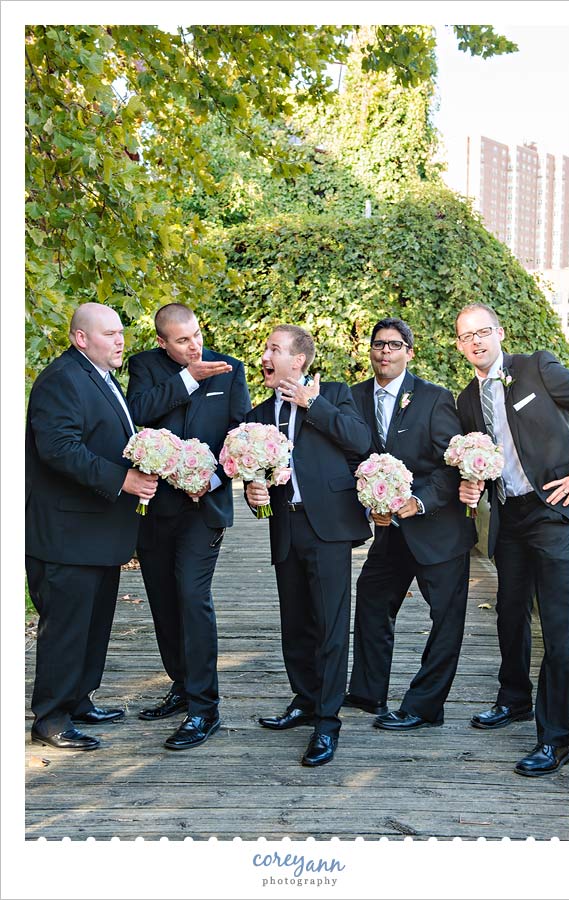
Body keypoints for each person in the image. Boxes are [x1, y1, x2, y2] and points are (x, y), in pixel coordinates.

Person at [26, 302, 158, 750]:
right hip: (66, 535)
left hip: (97, 534)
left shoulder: (100, 376)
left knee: (93, 624)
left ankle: (79, 700)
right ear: (81, 338)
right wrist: (123, 479)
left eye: (121, 332)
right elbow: (58, 448)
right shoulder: (62, 379)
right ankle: (51, 718)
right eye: (109, 334)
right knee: (66, 628)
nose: (120, 341)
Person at [245, 325, 371, 767]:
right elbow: (255, 473)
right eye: (266, 348)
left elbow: (360, 440)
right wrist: (254, 492)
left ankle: (327, 722)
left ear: (298, 361)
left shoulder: (333, 394)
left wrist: (311, 404)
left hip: (328, 528)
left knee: (330, 626)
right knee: (295, 623)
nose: (265, 355)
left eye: (274, 349)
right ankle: (305, 699)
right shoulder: (258, 414)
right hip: (286, 526)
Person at [455, 302, 569, 777]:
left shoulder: (536, 367)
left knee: (560, 628)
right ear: (459, 346)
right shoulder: (466, 400)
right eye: (467, 336)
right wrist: (471, 485)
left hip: (554, 511)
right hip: (508, 516)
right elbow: (479, 462)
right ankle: (514, 699)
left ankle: (557, 738)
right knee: (509, 612)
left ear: (500, 332)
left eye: (483, 332)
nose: (476, 342)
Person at [126, 303, 251, 750]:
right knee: (163, 600)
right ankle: (181, 685)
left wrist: (211, 480)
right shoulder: (143, 367)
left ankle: (204, 708)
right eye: (182, 340)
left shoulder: (230, 370)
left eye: (196, 334)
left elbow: (242, 436)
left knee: (193, 598)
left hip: (204, 508)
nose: (194, 345)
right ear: (162, 342)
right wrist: (187, 379)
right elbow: (136, 412)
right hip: (156, 507)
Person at [344, 317, 477, 732]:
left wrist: (418, 502)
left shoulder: (435, 398)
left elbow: (451, 465)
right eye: (378, 344)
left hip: (438, 530)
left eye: (394, 345)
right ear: (370, 351)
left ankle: (424, 707)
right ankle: (368, 692)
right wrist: (371, 507)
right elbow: (351, 460)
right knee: (371, 599)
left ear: (409, 352)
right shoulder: (353, 397)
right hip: (389, 531)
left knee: (445, 621)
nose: (385, 351)